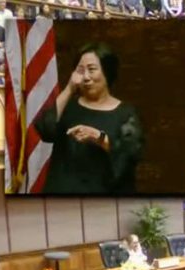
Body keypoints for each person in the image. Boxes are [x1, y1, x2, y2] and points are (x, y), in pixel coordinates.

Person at [33, 42, 143, 195]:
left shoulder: (125, 113)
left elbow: (130, 154)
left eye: (91, 70)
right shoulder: (68, 106)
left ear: (107, 72)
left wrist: (99, 137)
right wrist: (69, 88)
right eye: (80, 70)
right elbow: (45, 129)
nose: (85, 77)